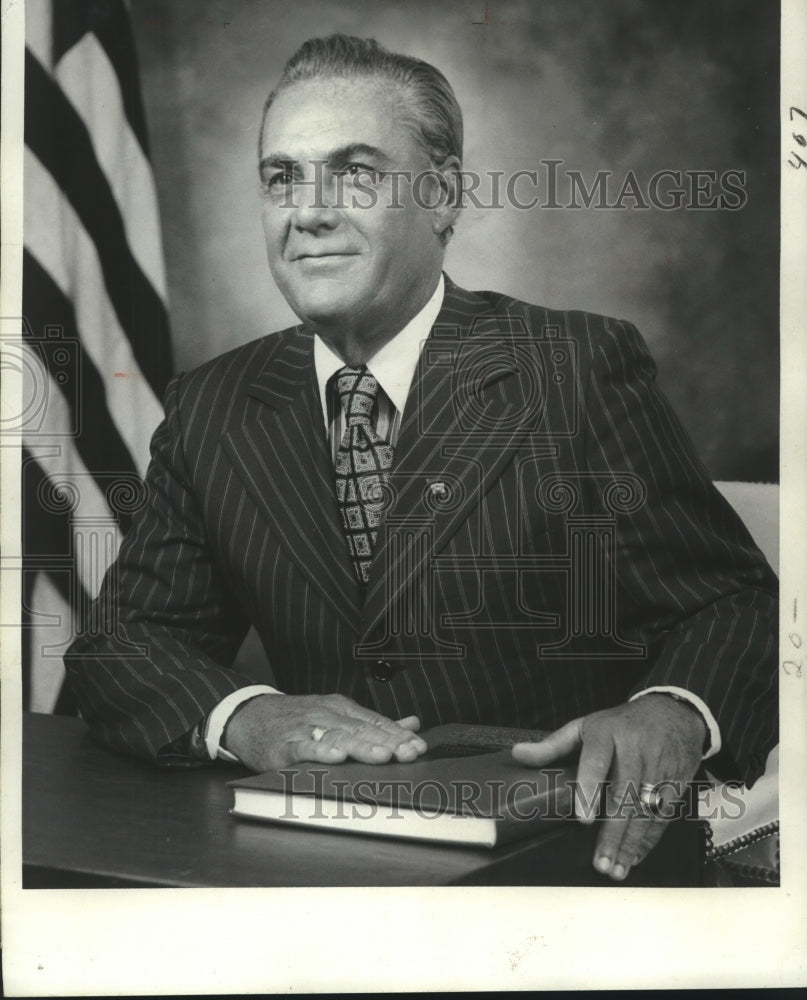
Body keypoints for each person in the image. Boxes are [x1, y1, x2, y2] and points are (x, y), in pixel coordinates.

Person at [65, 34, 778, 883]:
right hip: (314, 861)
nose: (308, 211)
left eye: (355, 172)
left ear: (441, 197)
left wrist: (675, 707)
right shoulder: (214, 405)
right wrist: (247, 716)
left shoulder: (573, 370)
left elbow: (731, 602)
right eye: (281, 177)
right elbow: (122, 646)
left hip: (562, 856)